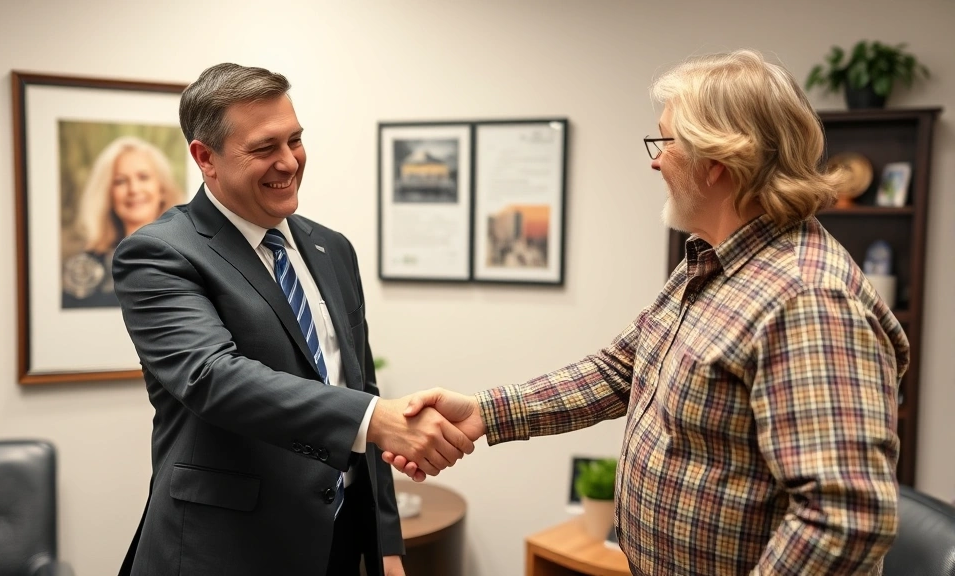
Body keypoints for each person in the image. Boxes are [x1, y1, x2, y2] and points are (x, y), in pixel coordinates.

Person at [384, 49, 910, 576]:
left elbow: (846, 518)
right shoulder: (712, 261)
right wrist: (486, 412)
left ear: (718, 163)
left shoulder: (808, 299)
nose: (655, 160)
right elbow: (621, 368)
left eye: (666, 141)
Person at [112, 63, 474, 576]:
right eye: (264, 148)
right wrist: (374, 420)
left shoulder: (331, 248)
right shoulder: (159, 254)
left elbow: (360, 383)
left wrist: (386, 543)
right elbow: (212, 378)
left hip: (339, 538)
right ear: (205, 157)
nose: (289, 161)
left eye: (296, 139)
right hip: (225, 549)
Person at [62, 135, 185, 308]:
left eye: (143, 177)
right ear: (108, 194)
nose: (134, 189)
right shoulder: (85, 269)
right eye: (120, 181)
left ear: (162, 188)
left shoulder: (189, 257)